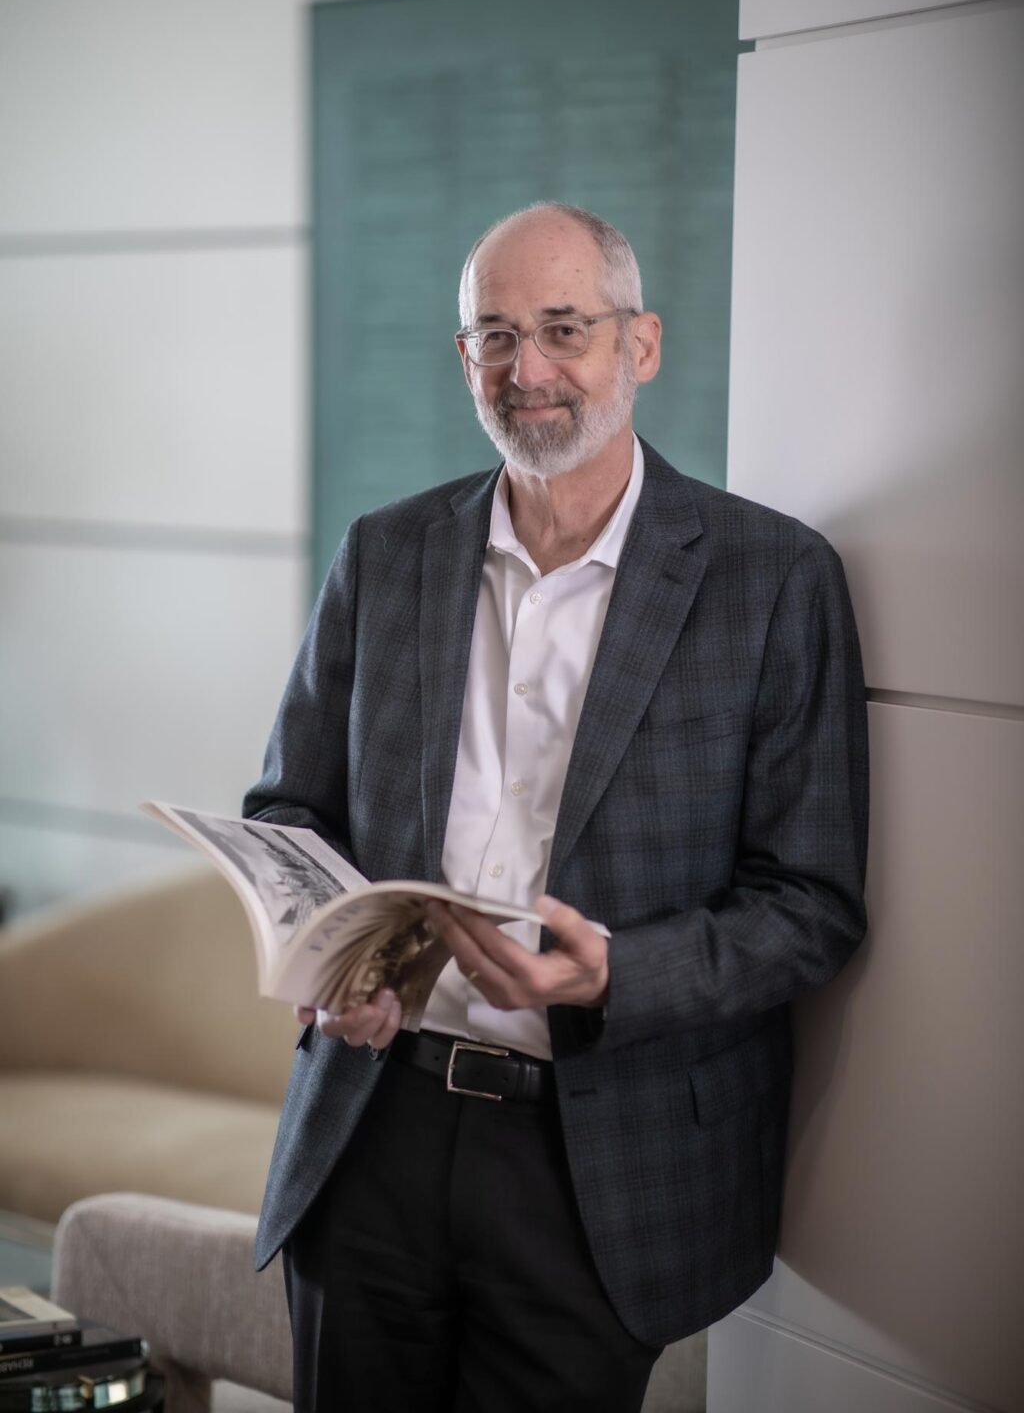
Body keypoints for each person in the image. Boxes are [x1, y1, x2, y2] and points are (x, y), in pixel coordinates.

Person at [243, 202, 868, 1413]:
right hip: (369, 1128)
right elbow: (290, 808)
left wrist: (612, 974)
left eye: (561, 329)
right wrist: (336, 962)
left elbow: (812, 906)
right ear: (461, 359)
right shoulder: (384, 552)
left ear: (639, 345)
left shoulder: (773, 580)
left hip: (598, 1166)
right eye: (492, 334)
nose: (525, 370)